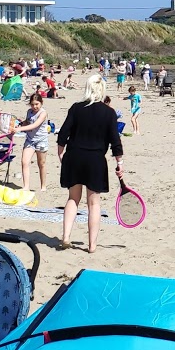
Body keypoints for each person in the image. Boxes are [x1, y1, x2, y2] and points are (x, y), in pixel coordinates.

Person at [55, 74, 125, 254]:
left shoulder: (76, 108)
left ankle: (66, 237)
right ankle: (92, 245)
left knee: (73, 198)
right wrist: (120, 163)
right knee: (93, 203)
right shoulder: (109, 112)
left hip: (75, 156)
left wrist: (61, 153)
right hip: (95, 159)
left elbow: (63, 133)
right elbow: (115, 140)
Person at [11, 92, 50, 190]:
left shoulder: (43, 113)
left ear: (41, 103)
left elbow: (35, 125)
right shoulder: (29, 111)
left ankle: (43, 186)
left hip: (41, 140)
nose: (34, 106)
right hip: (30, 140)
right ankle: (26, 186)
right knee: (25, 162)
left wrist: (20, 130)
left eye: (37, 104)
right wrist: (20, 124)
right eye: (32, 104)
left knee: (41, 163)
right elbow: (28, 122)